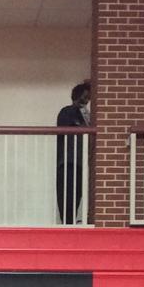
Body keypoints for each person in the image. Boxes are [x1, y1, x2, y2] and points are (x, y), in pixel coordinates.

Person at [56, 80, 91, 224]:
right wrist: (79, 109)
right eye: (84, 98)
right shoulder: (67, 111)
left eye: (87, 99)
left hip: (80, 163)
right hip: (67, 162)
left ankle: (71, 223)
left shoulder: (86, 116)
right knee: (66, 197)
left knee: (77, 196)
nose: (85, 102)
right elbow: (64, 126)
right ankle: (67, 224)